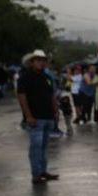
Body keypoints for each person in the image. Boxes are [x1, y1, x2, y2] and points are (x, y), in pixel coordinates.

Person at [16, 50, 60, 184]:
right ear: (32, 62)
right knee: (36, 147)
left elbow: (51, 94)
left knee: (43, 147)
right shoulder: (25, 77)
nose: (41, 62)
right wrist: (28, 115)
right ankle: (36, 174)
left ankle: (42, 171)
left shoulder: (46, 77)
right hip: (35, 118)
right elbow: (21, 97)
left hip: (48, 116)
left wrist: (55, 110)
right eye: (38, 60)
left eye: (43, 60)